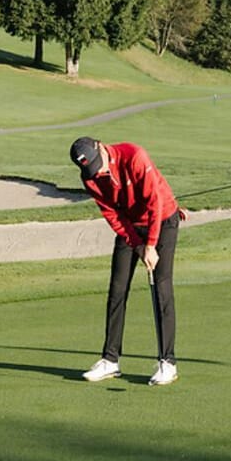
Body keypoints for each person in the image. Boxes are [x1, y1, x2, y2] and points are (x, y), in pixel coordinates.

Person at [70, 135, 181, 385]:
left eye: (97, 164)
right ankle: (110, 360)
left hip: (163, 219)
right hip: (130, 225)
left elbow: (155, 203)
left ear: (101, 147)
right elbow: (112, 213)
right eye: (91, 169)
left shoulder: (134, 156)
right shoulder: (90, 177)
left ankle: (168, 362)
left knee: (161, 286)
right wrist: (137, 244)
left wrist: (150, 245)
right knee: (117, 289)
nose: (98, 172)